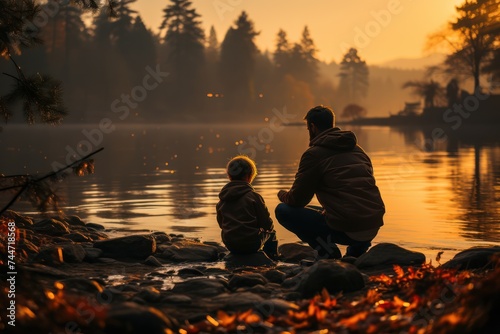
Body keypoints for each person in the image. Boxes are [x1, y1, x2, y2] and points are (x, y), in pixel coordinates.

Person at [275, 105, 385, 259]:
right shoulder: (358, 150)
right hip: (372, 223)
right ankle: (357, 252)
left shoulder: (313, 155)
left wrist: (282, 195)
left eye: (308, 129)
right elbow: (356, 190)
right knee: (317, 209)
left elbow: (297, 200)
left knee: (284, 210)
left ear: (312, 127)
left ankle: (328, 252)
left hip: (349, 227)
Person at [216, 155, 279, 260]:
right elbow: (267, 224)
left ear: (229, 175)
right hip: (251, 244)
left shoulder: (222, 199)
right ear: (248, 176)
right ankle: (272, 257)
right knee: (271, 232)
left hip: (231, 245)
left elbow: (221, 224)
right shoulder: (254, 196)